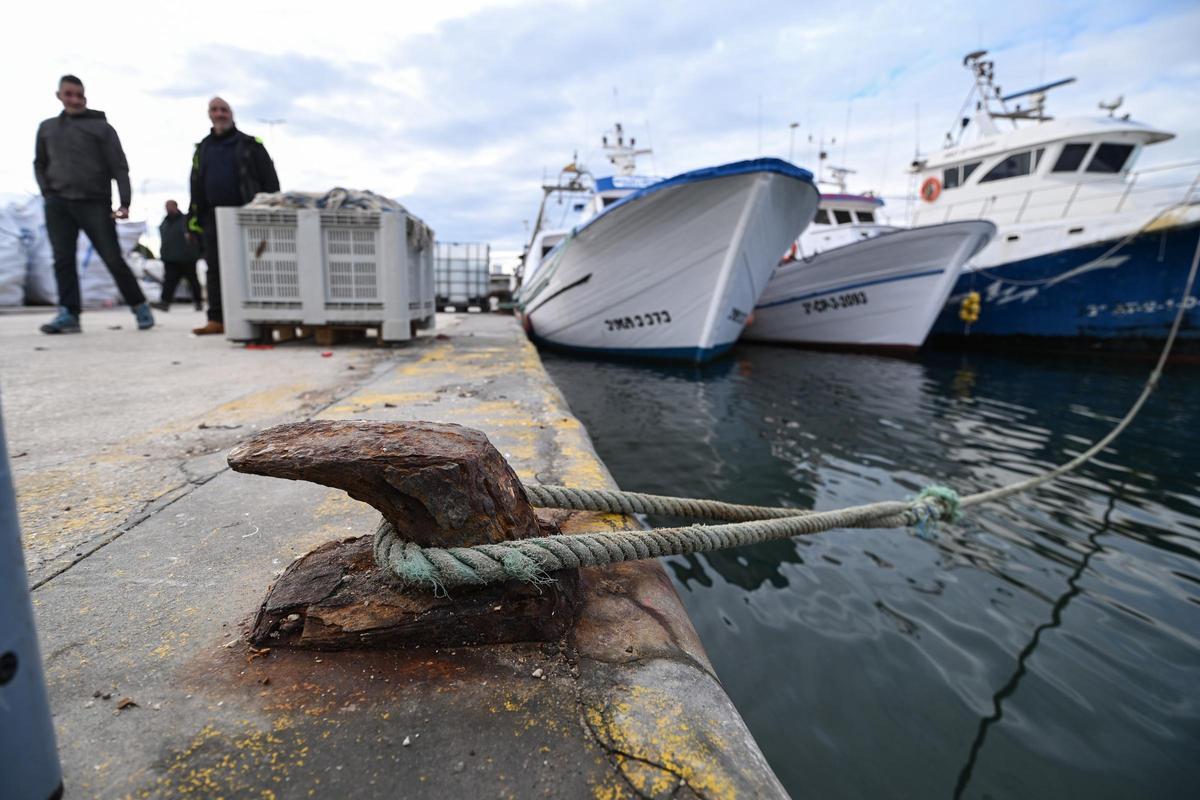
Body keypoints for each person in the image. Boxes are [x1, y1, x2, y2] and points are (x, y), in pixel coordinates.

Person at [34, 75, 154, 333]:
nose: (74, 99)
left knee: (112, 257)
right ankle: (69, 313)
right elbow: (39, 163)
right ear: (60, 95)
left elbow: (120, 168)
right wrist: (47, 192)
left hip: (94, 203)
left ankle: (139, 305)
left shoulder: (102, 128)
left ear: (85, 97)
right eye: (69, 94)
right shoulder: (47, 128)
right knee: (63, 259)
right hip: (58, 203)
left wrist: (125, 202)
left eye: (79, 94)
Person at [187, 97, 279, 335]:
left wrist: (272, 208)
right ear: (209, 114)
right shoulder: (203, 148)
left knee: (255, 266)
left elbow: (270, 180)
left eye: (223, 110)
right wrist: (193, 218)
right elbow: (196, 184)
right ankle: (217, 318)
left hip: (248, 216)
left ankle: (262, 316)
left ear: (231, 113)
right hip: (213, 218)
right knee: (215, 268)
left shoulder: (250, 145)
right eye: (214, 110)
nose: (219, 114)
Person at [155, 199, 202, 311]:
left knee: (193, 281)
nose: (168, 208)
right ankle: (165, 302)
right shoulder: (165, 222)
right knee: (169, 282)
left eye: (170, 206)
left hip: (187, 258)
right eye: (166, 206)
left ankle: (198, 302)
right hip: (170, 258)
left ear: (175, 206)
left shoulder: (185, 220)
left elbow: (194, 236)